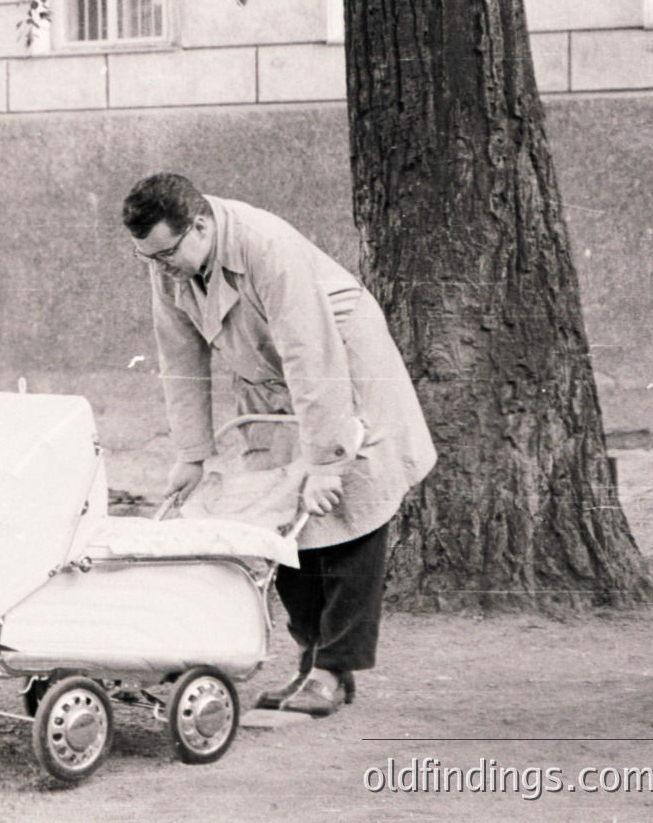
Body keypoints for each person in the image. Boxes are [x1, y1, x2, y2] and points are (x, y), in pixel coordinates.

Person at [122, 172, 437, 717]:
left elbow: (310, 354)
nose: (158, 267)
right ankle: (308, 657)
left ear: (200, 226)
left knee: (347, 513)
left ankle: (333, 670)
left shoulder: (268, 246)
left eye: (165, 254)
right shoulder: (169, 262)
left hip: (343, 374)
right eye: (147, 258)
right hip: (270, 383)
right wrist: (191, 455)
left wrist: (324, 461)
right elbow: (180, 361)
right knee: (276, 516)